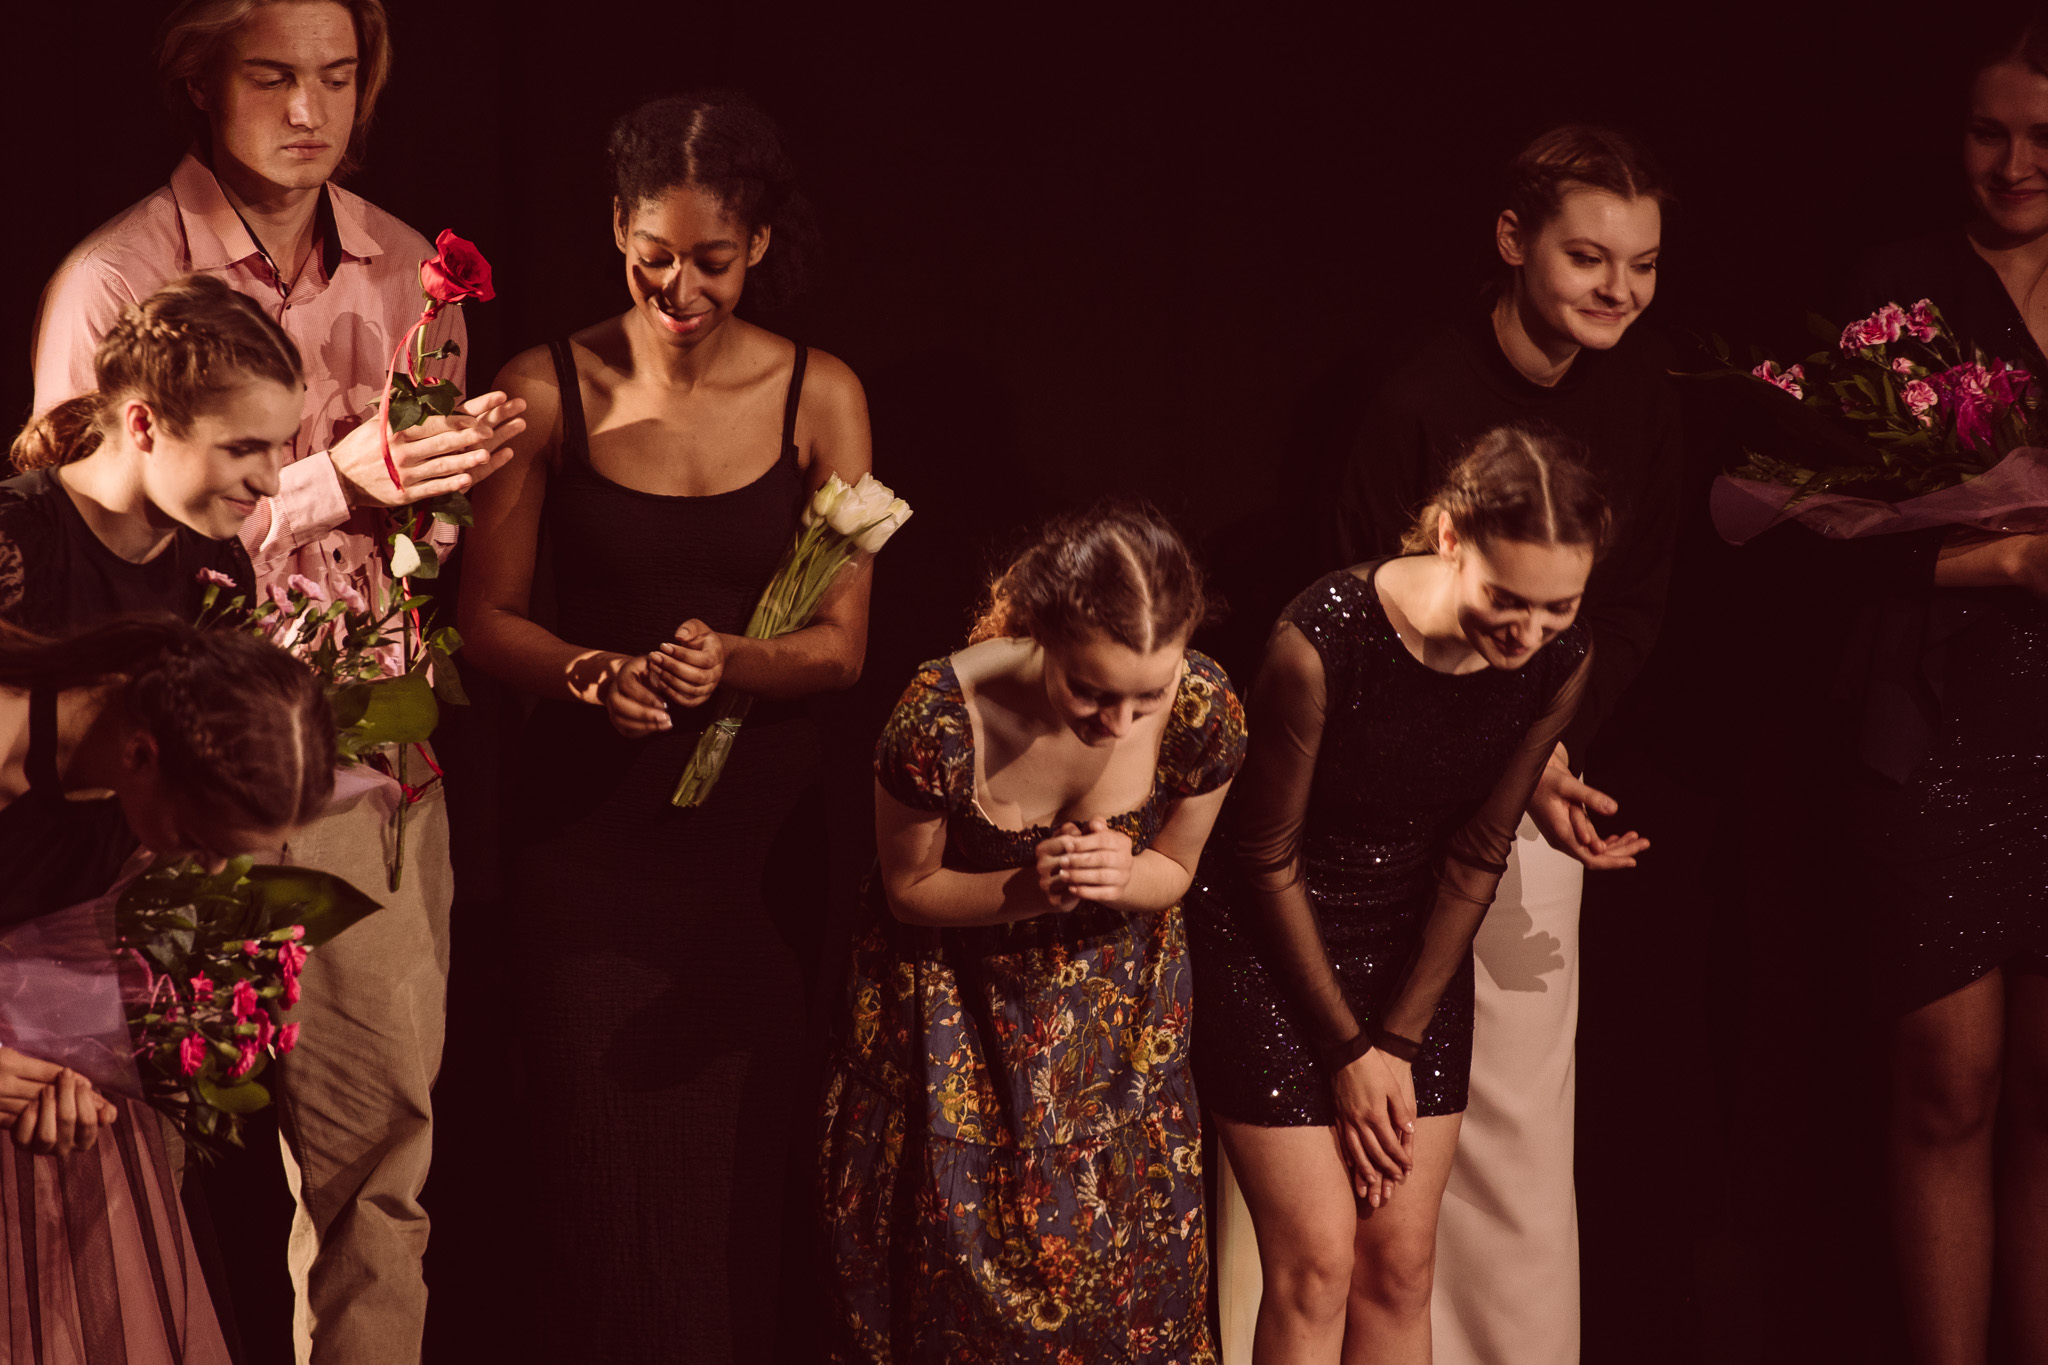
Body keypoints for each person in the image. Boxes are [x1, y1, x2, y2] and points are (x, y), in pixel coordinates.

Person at [29, 5, 527, 1358]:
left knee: (380, 1175)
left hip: (364, 769)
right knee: (135, 1160)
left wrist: (447, 486)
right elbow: (89, 559)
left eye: (338, 77)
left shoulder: (405, 264)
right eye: (271, 75)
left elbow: (416, 550)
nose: (310, 110)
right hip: (173, 789)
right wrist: (326, 482)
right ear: (200, 79)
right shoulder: (118, 278)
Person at [459, 92, 869, 1363]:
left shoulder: (818, 393)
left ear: (759, 246)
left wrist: (733, 658)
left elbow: (842, 647)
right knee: (598, 1195)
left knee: (732, 1205)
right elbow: (484, 619)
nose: (678, 288)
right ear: (616, 232)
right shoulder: (544, 388)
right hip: (589, 852)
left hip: (753, 867)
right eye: (653, 256)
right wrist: (592, 672)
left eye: (712, 260)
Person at [1295, 124, 1671, 1365]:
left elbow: (1628, 609)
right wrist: (1505, 752)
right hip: (1379, 812)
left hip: (1537, 776)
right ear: (1513, 241)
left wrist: (1544, 752)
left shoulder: (1638, 399)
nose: (1617, 289)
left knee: (1512, 1121)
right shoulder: (1414, 398)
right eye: (1587, 257)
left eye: (1642, 264)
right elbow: (1355, 607)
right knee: (1373, 1136)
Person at [1193, 428, 1603, 1365]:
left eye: (1559, 606)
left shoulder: (1561, 658)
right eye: (1508, 599)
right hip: (1270, 941)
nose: (1529, 632)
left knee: (1401, 1267)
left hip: (1409, 953)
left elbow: (1480, 849)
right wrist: (1349, 1050)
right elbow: (1264, 854)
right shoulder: (1322, 639)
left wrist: (1397, 1040)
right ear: (1451, 538)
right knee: (1316, 1268)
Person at [820, 503, 1246, 1364]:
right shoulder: (941, 715)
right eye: (1091, 691)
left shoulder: (1203, 706)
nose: (1119, 723)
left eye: (1146, 696)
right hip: (961, 1037)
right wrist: (1029, 889)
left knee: (1129, 1313)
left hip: (1118, 1048)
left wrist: (1125, 876)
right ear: (1042, 633)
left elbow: (1177, 866)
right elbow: (908, 890)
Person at [1833, 20, 2048, 1362]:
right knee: (1945, 1090)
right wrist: (2012, 558)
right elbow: (1816, 536)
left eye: (2041, 136)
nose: (2013, 162)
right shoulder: (1899, 294)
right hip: (1938, 729)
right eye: (1987, 131)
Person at [0, 614, 337, 1365]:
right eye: (201, 840)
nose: (210, 870)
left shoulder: (125, 755)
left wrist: (66, 1065)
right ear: (143, 755)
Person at [7, 273, 298, 634]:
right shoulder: (15, 545)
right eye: (242, 449)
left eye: (281, 446)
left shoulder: (218, 563)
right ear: (144, 425)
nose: (270, 484)